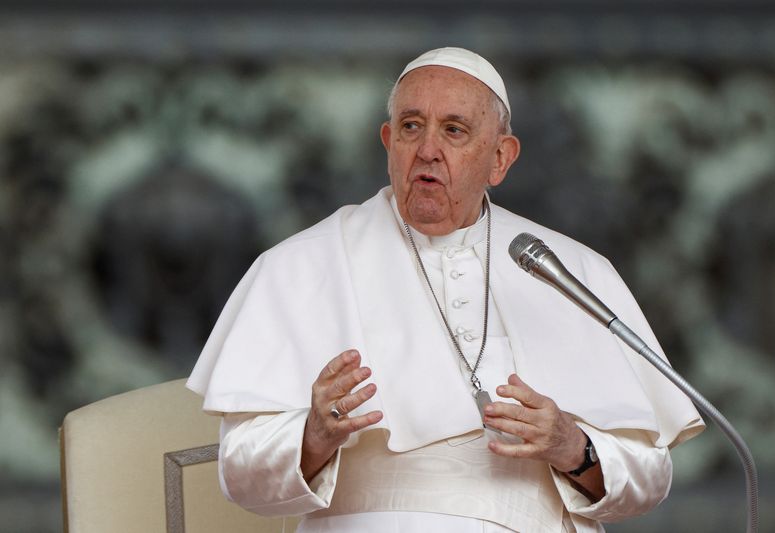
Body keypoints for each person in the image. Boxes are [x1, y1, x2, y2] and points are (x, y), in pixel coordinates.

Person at [187, 47, 704, 533]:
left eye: (454, 130)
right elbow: (240, 474)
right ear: (389, 143)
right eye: (412, 127)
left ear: (500, 158)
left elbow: (650, 476)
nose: (428, 150)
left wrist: (572, 446)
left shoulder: (572, 271)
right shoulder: (300, 266)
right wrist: (313, 435)